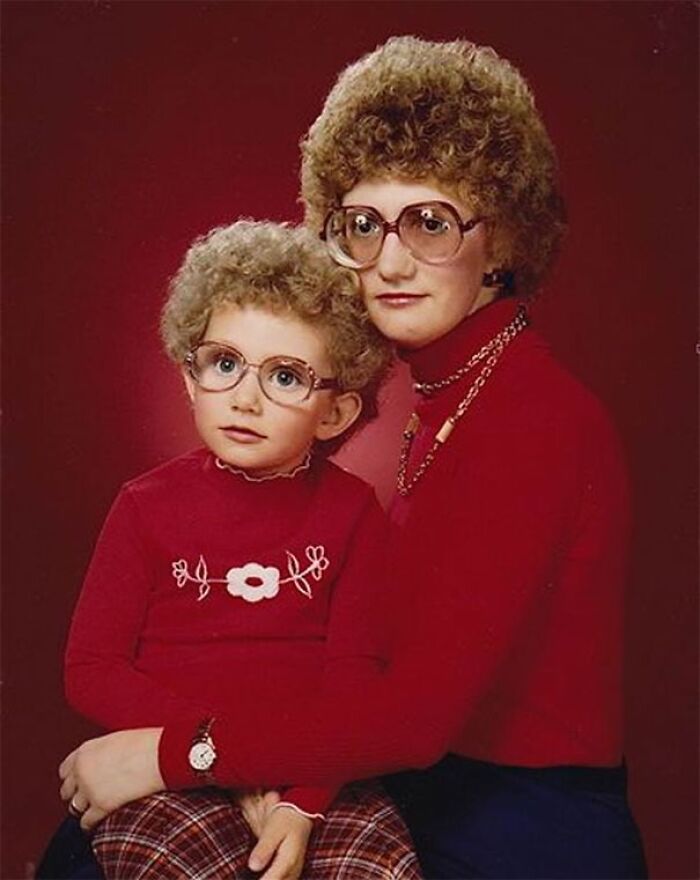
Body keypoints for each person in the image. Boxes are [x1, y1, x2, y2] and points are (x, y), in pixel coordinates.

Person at [58, 36, 648, 879]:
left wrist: (173, 753)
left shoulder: (536, 419)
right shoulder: (451, 394)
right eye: (365, 225)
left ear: (503, 239)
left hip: (521, 827)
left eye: (431, 223)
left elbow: (409, 718)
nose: (391, 262)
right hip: (422, 784)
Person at [42, 220, 421, 880]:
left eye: (286, 376)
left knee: (380, 866)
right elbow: (92, 668)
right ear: (191, 378)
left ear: (334, 413)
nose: (245, 398)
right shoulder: (144, 506)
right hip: (169, 767)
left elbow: (354, 683)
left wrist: (300, 803)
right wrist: (212, 752)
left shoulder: (354, 513)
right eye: (224, 364)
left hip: (314, 776)